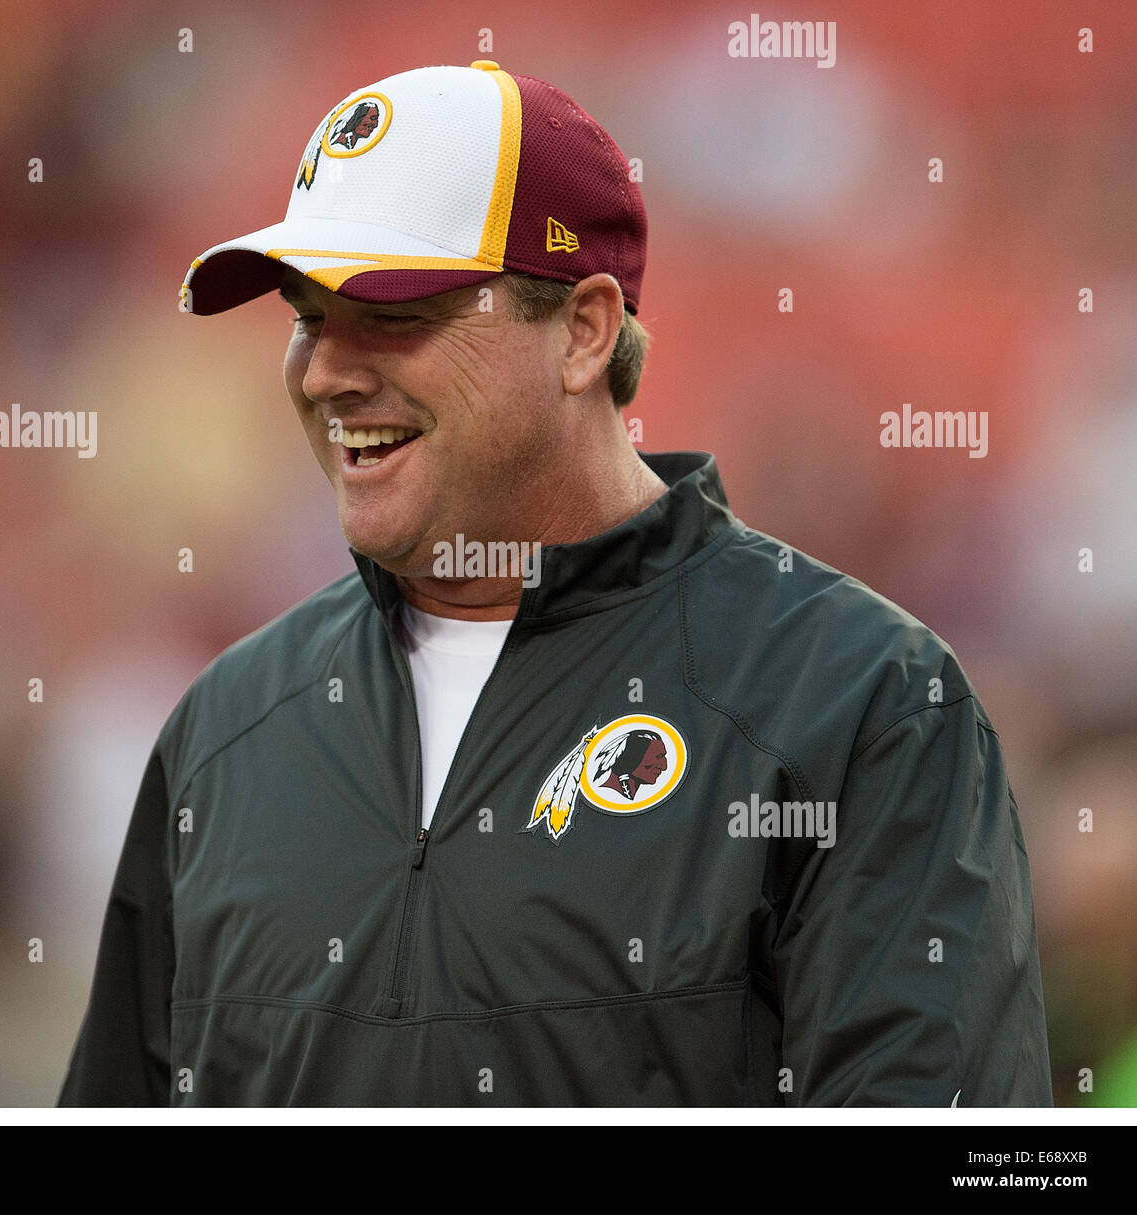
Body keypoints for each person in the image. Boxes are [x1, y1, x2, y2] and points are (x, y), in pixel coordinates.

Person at [58, 61, 1053, 1106]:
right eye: (307, 316)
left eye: (392, 313)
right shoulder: (227, 729)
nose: (325, 373)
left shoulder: (856, 702)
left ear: (580, 331)